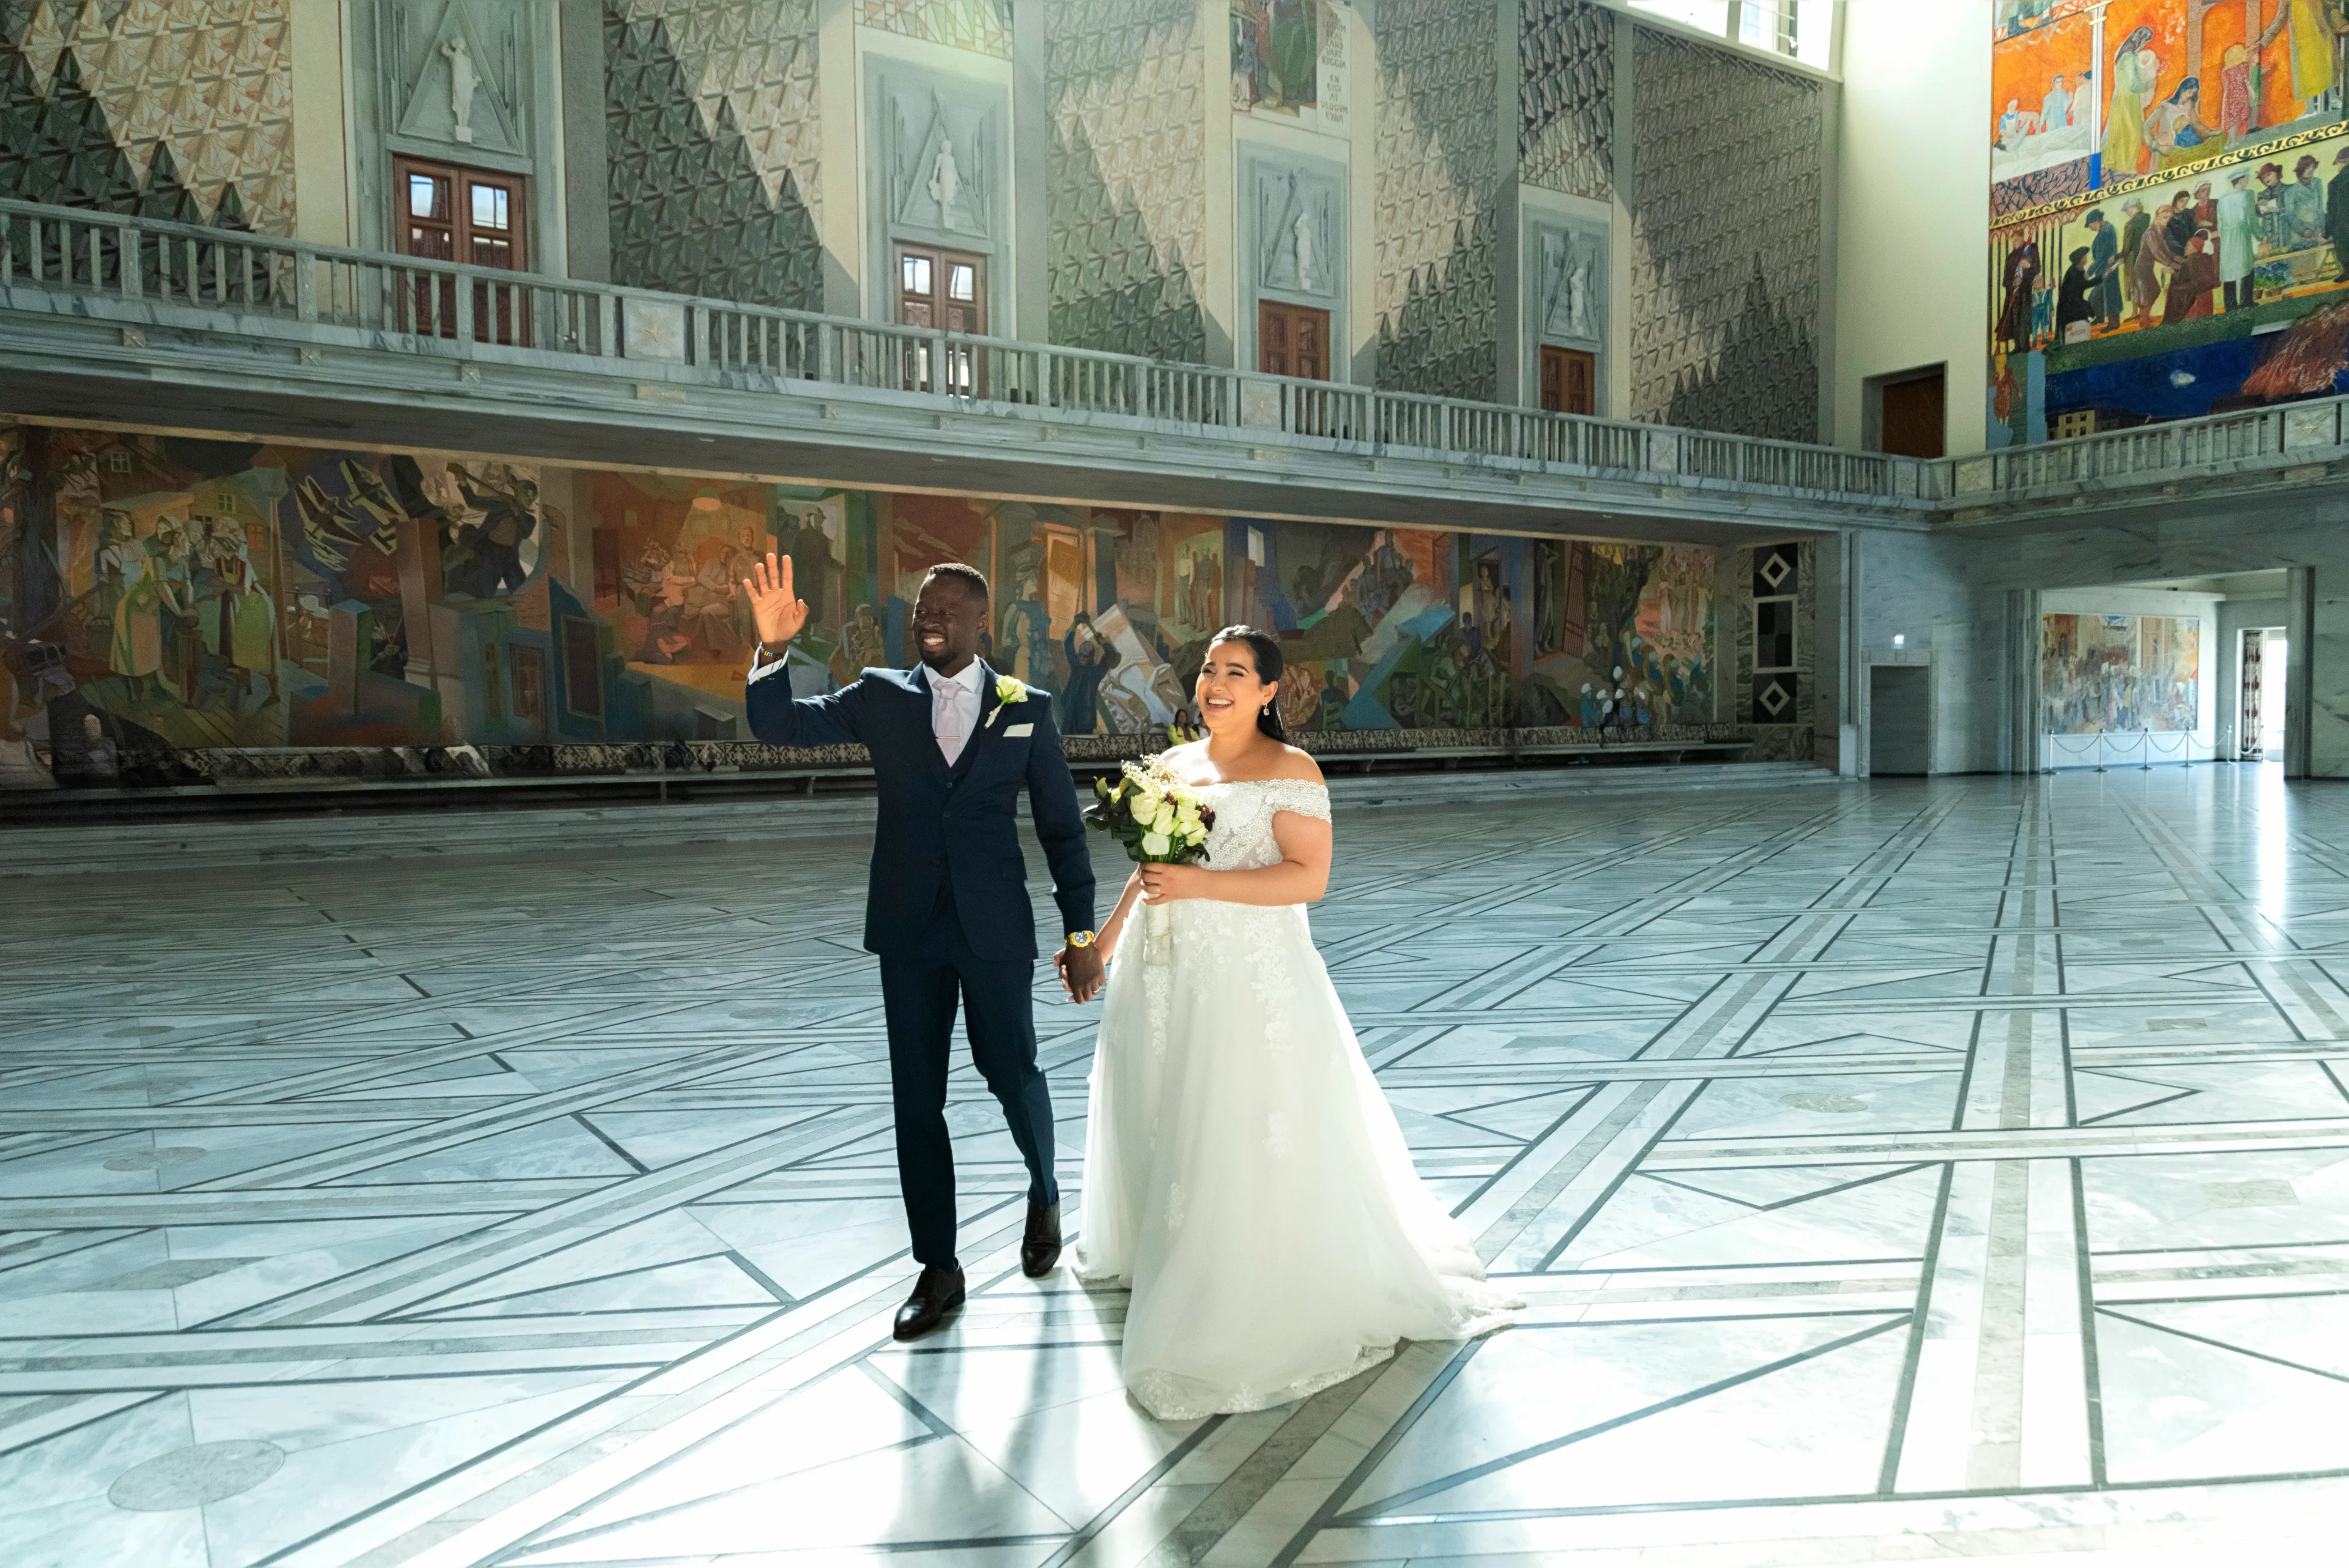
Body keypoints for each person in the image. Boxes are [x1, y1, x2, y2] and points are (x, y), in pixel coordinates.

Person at [1071, 627, 1520, 1418]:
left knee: (1236, 1116)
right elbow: (1149, 871)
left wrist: (1201, 887)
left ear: (1271, 690)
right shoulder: (1175, 764)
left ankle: (1239, 1270)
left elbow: (1307, 878)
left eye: (1236, 672)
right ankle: (1167, 1249)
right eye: (1210, 668)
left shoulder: (1293, 771)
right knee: (1160, 1100)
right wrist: (1103, 943)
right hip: (1160, 968)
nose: (1215, 682)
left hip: (1246, 978)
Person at [741, 554, 1105, 1341]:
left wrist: (1082, 936)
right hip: (909, 930)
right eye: (920, 609)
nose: (929, 618)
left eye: (947, 608)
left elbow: (1062, 831)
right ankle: (938, 1267)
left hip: (995, 931)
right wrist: (772, 653)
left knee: (1013, 1072)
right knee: (917, 1100)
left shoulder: (1026, 708)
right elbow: (780, 726)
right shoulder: (879, 695)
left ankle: (1044, 1190)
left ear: (982, 620)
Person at [2104, 27, 2158, 178]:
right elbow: (2133, 84)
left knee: (2126, 135)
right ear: (2139, 40)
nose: (2144, 45)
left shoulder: (2124, 57)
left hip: (2123, 100)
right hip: (2128, 101)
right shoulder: (2129, 58)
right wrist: (2149, 85)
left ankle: (2124, 170)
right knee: (2131, 135)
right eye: (2145, 41)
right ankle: (2125, 170)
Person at [2144, 78, 2213, 165]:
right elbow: (2146, 126)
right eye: (2189, 92)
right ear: (2182, 89)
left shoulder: (2189, 105)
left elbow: (2196, 123)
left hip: (2186, 147)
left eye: (2193, 94)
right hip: (2167, 150)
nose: (2190, 96)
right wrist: (2156, 146)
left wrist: (2209, 133)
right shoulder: (2165, 107)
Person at [2218, 171, 2259, 308]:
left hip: (2227, 238)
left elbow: (2220, 224)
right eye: (2246, 179)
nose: (2247, 182)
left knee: (2229, 271)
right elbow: (2251, 219)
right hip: (2241, 234)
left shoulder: (2223, 200)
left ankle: (2230, 305)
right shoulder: (2248, 195)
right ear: (2240, 180)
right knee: (2247, 267)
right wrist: (2260, 235)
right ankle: (2246, 301)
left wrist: (2225, 238)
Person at [2162, 229, 2221, 322]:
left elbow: (2180, 280)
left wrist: (2172, 273)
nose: (2185, 248)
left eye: (2189, 246)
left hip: (2194, 288)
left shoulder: (2188, 262)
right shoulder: (2204, 257)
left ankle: (2172, 320)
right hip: (2204, 287)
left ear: (2196, 248)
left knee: (2172, 289)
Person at [2085, 209, 2123, 328]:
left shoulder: (2105, 233)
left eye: (2090, 224)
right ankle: (2100, 318)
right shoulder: (2105, 230)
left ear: (2096, 222)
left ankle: (2113, 323)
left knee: (2111, 297)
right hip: (2103, 270)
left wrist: (2089, 272)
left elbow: (2101, 257)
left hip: (2107, 270)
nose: (2090, 227)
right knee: (2097, 296)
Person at [2056, 246, 2097, 339]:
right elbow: (2084, 284)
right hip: (2070, 307)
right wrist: (2101, 278)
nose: (2086, 258)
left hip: (2074, 304)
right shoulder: (2073, 272)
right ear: (2081, 259)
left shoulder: (2077, 270)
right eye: (2085, 257)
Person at [2331, 147, 2349, 279]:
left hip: (2343, 224)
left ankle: (2347, 272)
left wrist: (2327, 230)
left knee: (2343, 247)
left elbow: (2332, 209)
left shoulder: (2335, 183)